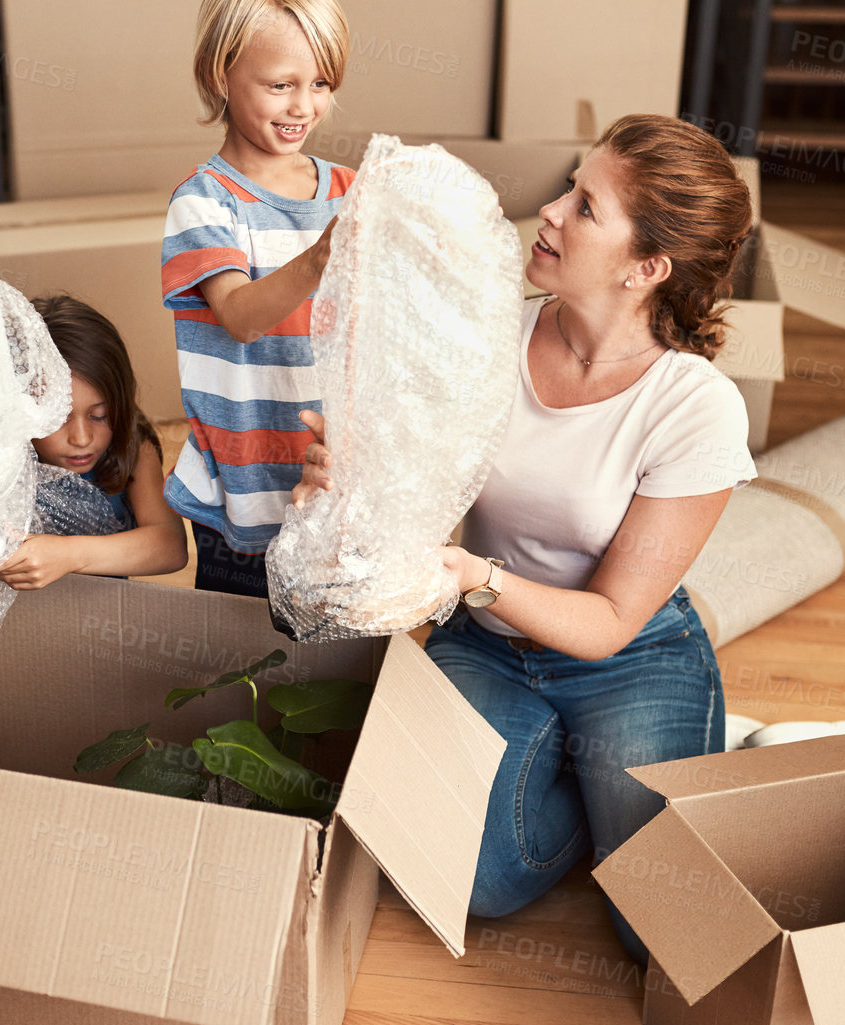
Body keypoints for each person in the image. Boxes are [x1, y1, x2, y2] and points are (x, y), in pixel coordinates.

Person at [294, 114, 758, 963]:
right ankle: (593, 795)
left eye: (584, 206)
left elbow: (613, 618)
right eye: (567, 187)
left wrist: (475, 574)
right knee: (475, 881)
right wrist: (350, 487)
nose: (547, 211)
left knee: (651, 924)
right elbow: (418, 510)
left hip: (629, 656)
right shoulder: (487, 340)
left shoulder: (693, 407)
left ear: (645, 267)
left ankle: (654, 762)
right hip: (492, 642)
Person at [160, 0, 352, 598]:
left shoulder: (347, 191)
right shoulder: (204, 202)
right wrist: (322, 255)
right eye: (281, 85)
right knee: (237, 662)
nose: (304, 106)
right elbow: (238, 315)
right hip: (238, 493)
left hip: (326, 483)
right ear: (221, 74)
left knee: (324, 663)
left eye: (321, 84)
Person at [0, 295, 188, 589]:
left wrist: (69, 555)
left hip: (100, 612)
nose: (82, 439)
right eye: (58, 419)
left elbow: (171, 546)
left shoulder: (132, 444)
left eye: (100, 415)